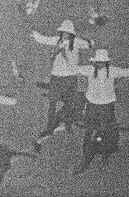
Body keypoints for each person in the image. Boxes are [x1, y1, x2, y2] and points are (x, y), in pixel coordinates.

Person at [32, 20, 93, 150]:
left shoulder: (76, 43)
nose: (65, 35)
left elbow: (90, 45)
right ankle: (49, 126)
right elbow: (42, 39)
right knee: (52, 102)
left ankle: (67, 122)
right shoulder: (56, 40)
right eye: (63, 32)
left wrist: (85, 37)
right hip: (56, 77)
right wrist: (32, 30)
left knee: (70, 102)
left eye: (68, 33)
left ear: (71, 34)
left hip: (70, 77)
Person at [73, 49, 129, 174]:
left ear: (106, 62)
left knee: (105, 133)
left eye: (102, 62)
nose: (100, 64)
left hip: (106, 107)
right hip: (92, 107)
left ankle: (104, 156)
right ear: (95, 62)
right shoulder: (90, 70)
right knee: (89, 133)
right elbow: (76, 68)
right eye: (98, 62)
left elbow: (126, 72)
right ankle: (84, 162)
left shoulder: (112, 70)